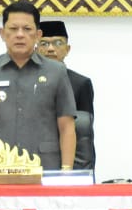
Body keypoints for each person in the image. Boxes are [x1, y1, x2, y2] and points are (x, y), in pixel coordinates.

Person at [0, 0, 77, 169]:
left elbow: (67, 126)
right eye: (13, 28)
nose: (19, 35)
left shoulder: (56, 72)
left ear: (38, 35)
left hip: (44, 166)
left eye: (27, 29)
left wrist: (66, 172)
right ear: (2, 33)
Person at [35, 18, 95, 170]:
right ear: (36, 49)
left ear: (68, 49)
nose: (50, 49)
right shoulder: (28, 81)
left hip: (69, 160)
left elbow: (84, 134)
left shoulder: (80, 83)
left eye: (58, 43)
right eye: (44, 43)